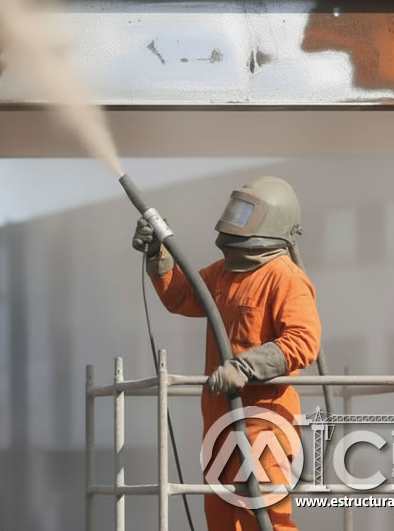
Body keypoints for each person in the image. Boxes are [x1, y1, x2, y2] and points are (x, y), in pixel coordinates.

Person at [132, 176, 322, 531]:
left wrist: (245, 368)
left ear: (270, 221)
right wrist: (158, 254)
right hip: (220, 424)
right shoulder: (224, 273)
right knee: (221, 520)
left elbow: (303, 340)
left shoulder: (285, 277)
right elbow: (183, 295)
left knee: (265, 519)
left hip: (264, 424)